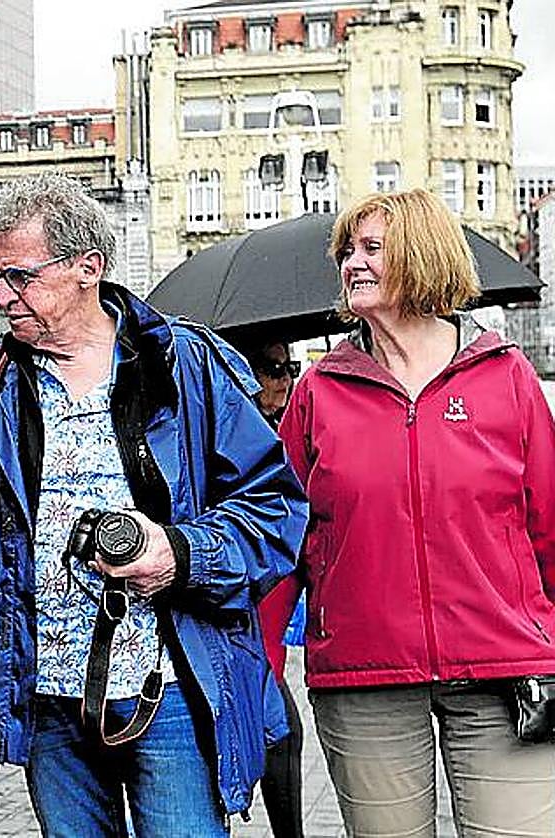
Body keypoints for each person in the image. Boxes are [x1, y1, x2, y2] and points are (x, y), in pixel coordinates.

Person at [0, 172, 308, 836]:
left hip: (175, 695)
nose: (4, 298)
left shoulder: (184, 364)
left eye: (20, 277)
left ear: (86, 269)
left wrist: (179, 553)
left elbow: (276, 511)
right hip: (44, 700)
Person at [264, 189, 555, 836]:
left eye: (372, 248)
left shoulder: (505, 378)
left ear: (422, 256)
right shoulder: (319, 391)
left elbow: (549, 529)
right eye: (347, 251)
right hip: (364, 676)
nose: (351, 264)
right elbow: (281, 542)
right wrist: (264, 665)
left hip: (505, 671)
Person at [235, 337, 305, 838]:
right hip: (233, 643)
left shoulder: (291, 437)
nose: (283, 378)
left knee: (284, 739)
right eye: (272, 367)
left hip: (269, 647)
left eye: (289, 366)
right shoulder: (227, 440)